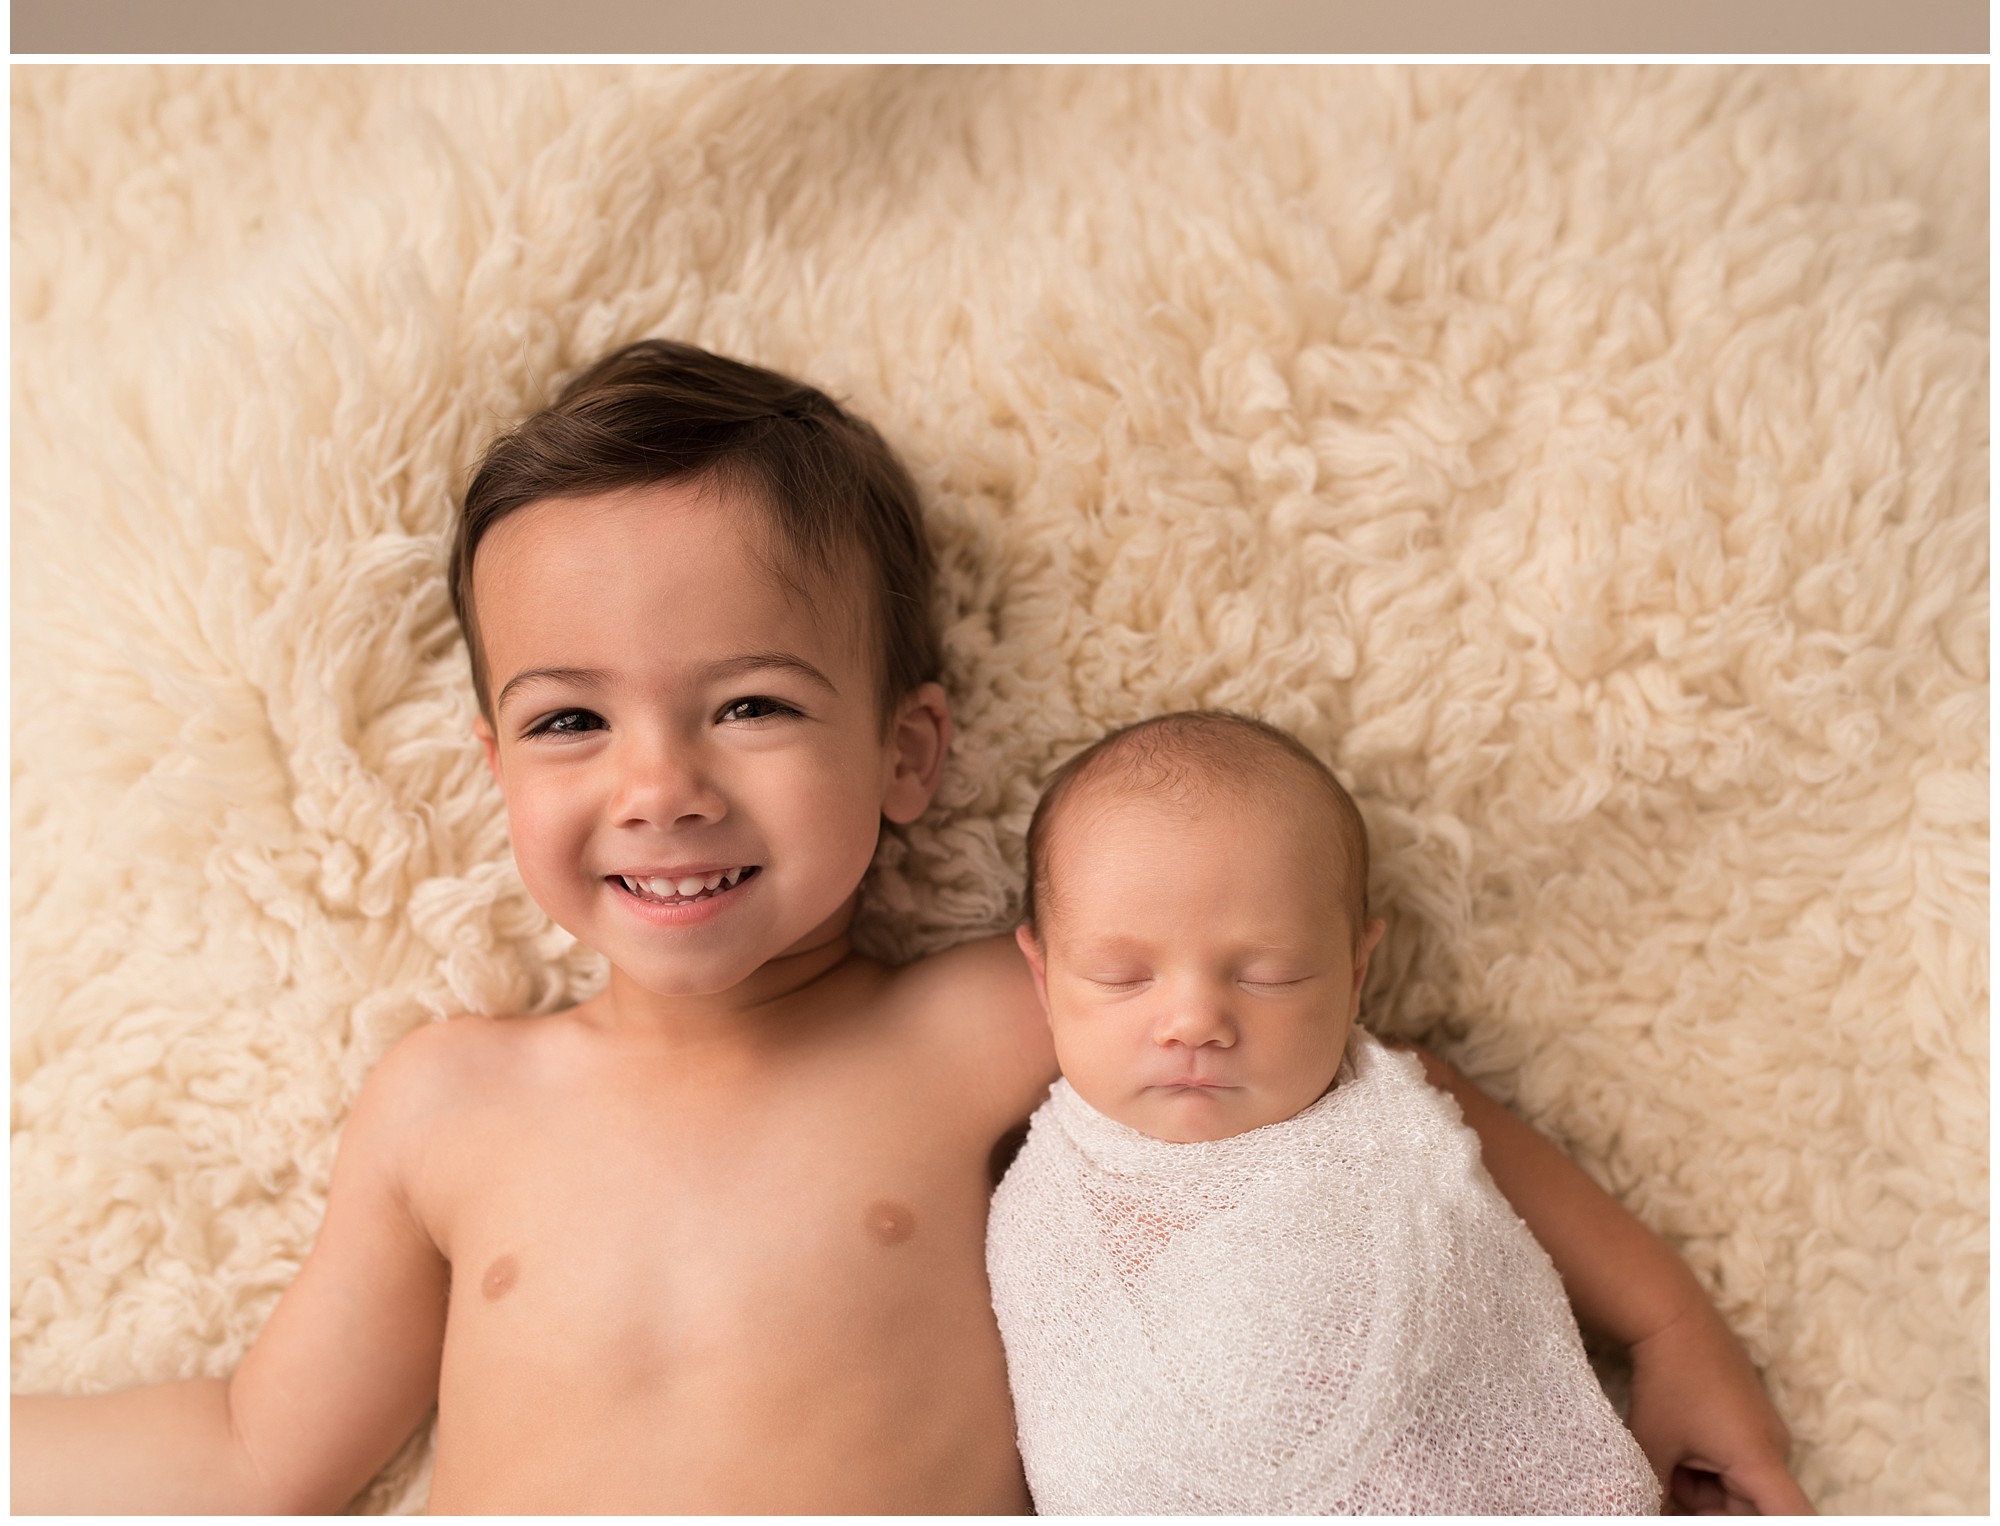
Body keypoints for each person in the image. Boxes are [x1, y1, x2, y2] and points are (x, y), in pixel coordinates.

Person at [14, 343, 1803, 1515]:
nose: (661, 785)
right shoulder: (448, 1102)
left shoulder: (983, 1025)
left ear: (909, 752)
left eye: (753, 706)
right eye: (572, 718)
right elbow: (264, 1447)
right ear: (495, 765)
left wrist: (1664, 1323)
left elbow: (1381, 1099)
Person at [991, 711, 1681, 1514]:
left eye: (1271, 975)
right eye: (1121, 975)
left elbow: (1634, 1289)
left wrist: (1677, 1342)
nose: (1194, 1021)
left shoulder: (1397, 1109)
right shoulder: (1036, 1194)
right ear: (1043, 981)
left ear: (1355, 973)